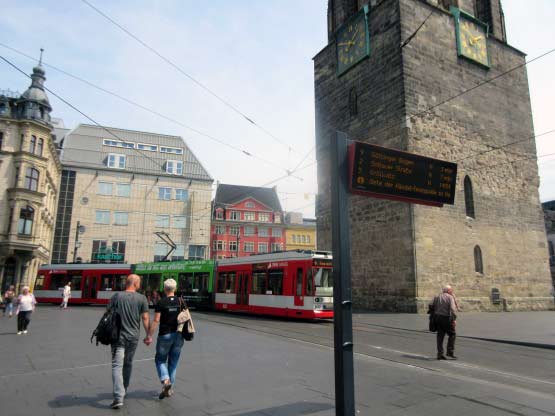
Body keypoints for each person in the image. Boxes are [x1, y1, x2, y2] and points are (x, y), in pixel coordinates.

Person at [108, 274, 150, 409]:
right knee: (128, 363)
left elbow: (108, 313)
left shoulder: (116, 296)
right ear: (135, 284)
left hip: (117, 336)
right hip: (133, 337)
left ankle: (118, 397)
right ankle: (124, 389)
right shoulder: (142, 298)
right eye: (139, 283)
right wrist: (148, 335)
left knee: (116, 365)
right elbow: (145, 318)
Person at [145, 279, 185, 400]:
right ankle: (169, 389)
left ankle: (166, 382)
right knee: (173, 363)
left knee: (160, 360)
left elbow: (156, 320)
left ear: (164, 289)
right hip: (179, 335)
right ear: (175, 289)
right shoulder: (181, 301)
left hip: (165, 335)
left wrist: (149, 336)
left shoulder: (161, 302)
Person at [431, 285, 459, 360]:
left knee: (440, 336)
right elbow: (453, 309)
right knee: (452, 334)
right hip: (446, 318)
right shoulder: (450, 297)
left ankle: (440, 354)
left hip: (437, 318)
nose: (452, 291)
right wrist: (454, 319)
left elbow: (431, 306)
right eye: (451, 290)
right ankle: (450, 352)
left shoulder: (437, 297)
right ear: (448, 290)